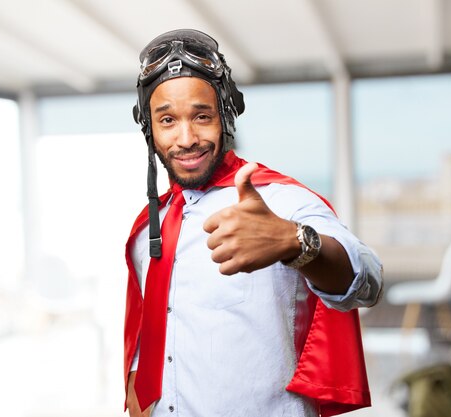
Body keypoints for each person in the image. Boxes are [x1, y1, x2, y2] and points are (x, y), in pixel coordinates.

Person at [123, 29, 384, 417]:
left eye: (201, 116)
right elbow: (149, 341)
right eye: (167, 120)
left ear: (226, 114)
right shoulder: (148, 229)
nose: (186, 138)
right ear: (149, 129)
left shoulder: (279, 201)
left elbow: (369, 282)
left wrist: (296, 243)